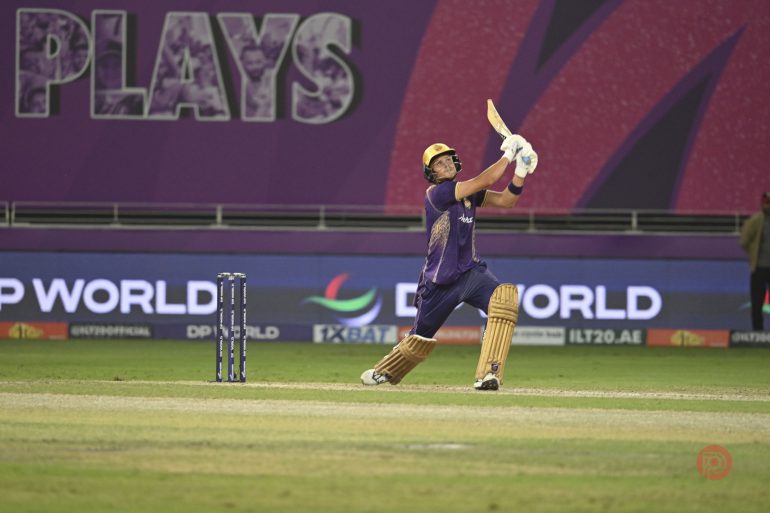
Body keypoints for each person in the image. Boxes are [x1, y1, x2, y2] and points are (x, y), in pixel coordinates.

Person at [360, 134, 538, 390]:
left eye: (447, 160)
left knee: (504, 300)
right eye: (438, 165)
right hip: (440, 280)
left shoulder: (469, 195)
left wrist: (521, 171)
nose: (445, 166)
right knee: (420, 338)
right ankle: (385, 371)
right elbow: (486, 179)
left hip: (471, 272)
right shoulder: (438, 193)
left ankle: (489, 373)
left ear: (455, 161)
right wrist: (509, 155)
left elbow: (507, 201)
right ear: (431, 174)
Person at [740, 191, 770, 330]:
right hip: (759, 267)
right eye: (766, 202)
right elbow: (744, 240)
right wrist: (753, 253)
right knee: (757, 302)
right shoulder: (756, 220)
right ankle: (757, 332)